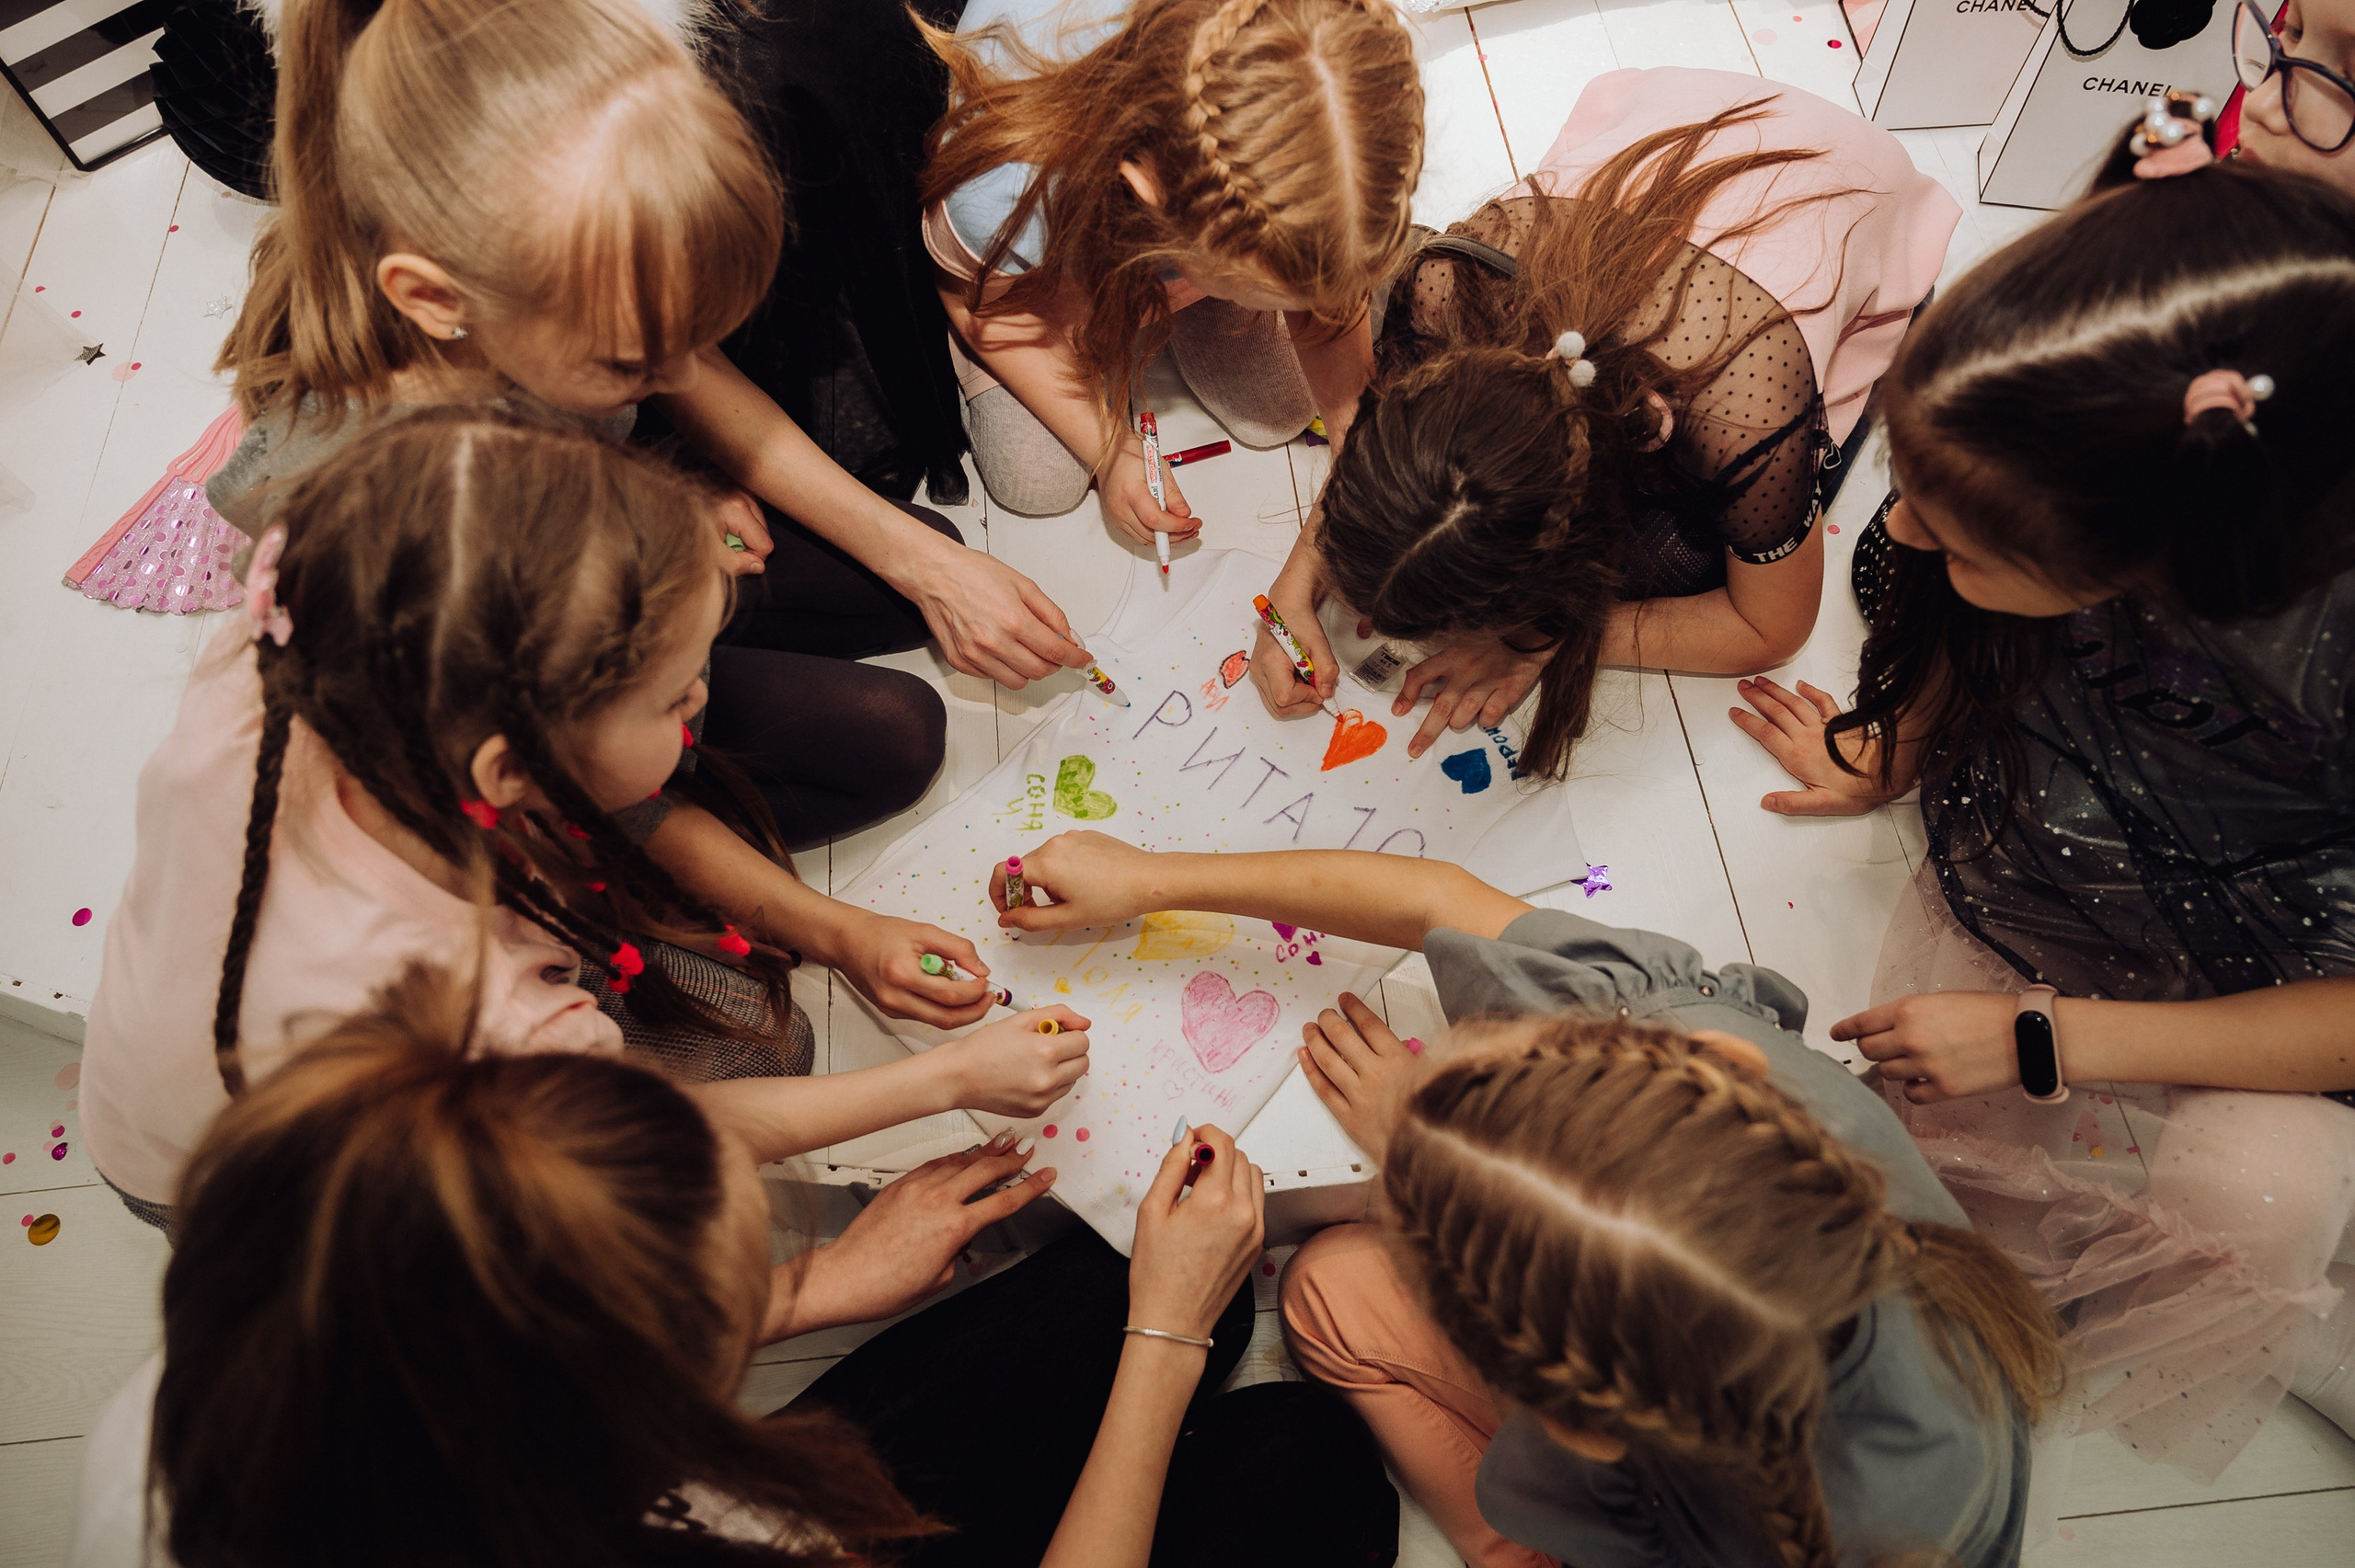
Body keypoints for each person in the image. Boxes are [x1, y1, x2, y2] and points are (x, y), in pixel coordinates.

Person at [80, 412, 1092, 1231]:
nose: (704, 710)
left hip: (290, 991)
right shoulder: (462, 1007)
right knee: (760, 1047)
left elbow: (625, 812)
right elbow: (669, 1127)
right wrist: (948, 1078)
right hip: (253, 1175)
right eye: (675, 700)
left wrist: (839, 932)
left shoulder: (322, 632)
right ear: (514, 769)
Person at [1732, 162, 2355, 1471]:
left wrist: (2040, 1035)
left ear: (2156, 561)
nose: (1895, 528)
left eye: (1962, 539)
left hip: (2291, 976)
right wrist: (1895, 742)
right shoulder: (2102, 417)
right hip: (2055, 854)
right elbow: (1959, 611)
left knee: (2256, 1199)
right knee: (1931, 1167)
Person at [64, 961, 1396, 1568]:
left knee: (1112, 1281)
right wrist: (1158, 1350)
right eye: (741, 1287)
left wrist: (820, 1290)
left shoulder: (238, 1371)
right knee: (1303, 1462)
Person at [988, 830, 2060, 1568]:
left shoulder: (1615, 1483)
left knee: (1324, 1292)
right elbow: (1438, 901)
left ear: (1571, 1426)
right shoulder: (1765, 1092)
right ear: (1712, 1059)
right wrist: (1150, 877)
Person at [214, 0, 1096, 847]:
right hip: (551, 675)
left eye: (690, 345)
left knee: (917, 554)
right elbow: (536, 784)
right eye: (631, 364)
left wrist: (682, 482)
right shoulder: (401, 528)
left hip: (607, 551)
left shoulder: (533, 289)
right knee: (898, 737)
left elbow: (667, 392)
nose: (674, 384)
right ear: (440, 300)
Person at [1251, 69, 1957, 778]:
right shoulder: (1440, 286)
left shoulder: (1743, 409)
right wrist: (1300, 576)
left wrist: (1548, 637)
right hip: (1699, 129)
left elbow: (1767, 625)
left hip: (1847, 201)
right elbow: (1398, 456)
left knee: (1676, 561)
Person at [922, 0, 1422, 536]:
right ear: (1154, 197)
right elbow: (981, 305)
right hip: (1029, 283)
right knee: (1037, 483)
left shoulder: (1335, 62)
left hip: (1171, 240)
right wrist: (1111, 449)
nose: (1305, 313)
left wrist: (1351, 429)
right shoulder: (1004, 187)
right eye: (1269, 293)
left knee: (1277, 411)